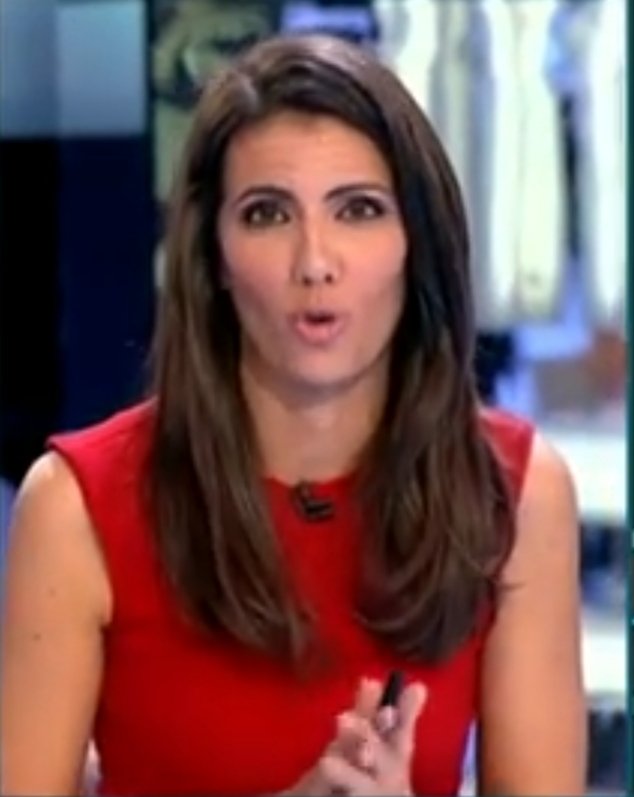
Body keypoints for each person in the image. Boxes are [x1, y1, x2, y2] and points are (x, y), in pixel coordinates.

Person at [1, 34, 586, 796]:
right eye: (268, 213)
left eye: (358, 209)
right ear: (212, 256)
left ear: (416, 242)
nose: (315, 261)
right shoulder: (76, 506)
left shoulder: (515, 491)